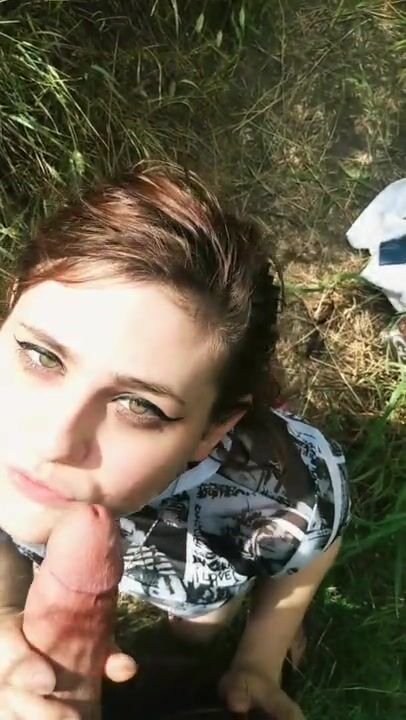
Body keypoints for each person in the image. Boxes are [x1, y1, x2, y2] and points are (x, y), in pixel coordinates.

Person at [0, 162, 350, 720]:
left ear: (213, 430)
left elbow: (313, 542)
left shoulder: (281, 491)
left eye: (140, 405)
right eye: (41, 356)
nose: (53, 440)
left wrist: (260, 657)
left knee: (197, 625)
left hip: (194, 576)